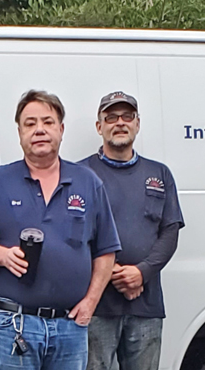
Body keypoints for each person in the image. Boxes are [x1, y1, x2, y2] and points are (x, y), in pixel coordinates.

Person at [0, 89, 121, 370]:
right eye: (30, 124)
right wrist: (2, 256)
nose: (39, 130)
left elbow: (106, 251)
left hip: (71, 326)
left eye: (47, 122)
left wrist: (91, 301)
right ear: (20, 133)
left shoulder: (88, 182)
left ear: (61, 129)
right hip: (15, 325)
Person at [80, 91, 184, 370]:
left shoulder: (159, 174)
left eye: (127, 116)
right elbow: (73, 234)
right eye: (111, 117)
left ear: (138, 123)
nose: (120, 123)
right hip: (96, 306)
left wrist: (142, 272)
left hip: (145, 305)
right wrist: (111, 272)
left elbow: (170, 232)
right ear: (99, 127)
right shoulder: (80, 175)